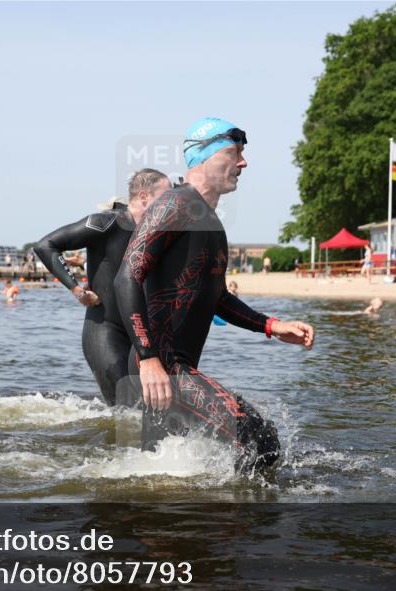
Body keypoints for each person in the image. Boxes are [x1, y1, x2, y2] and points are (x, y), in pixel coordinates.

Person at [114, 117, 315, 475]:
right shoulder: (175, 204)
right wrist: (148, 360)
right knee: (259, 439)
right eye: (234, 152)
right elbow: (126, 278)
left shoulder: (207, 220)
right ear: (204, 156)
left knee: (158, 472)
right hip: (162, 366)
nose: (243, 162)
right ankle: (242, 524)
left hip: (171, 365)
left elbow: (216, 297)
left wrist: (272, 325)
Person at [35, 169, 171, 405]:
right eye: (166, 196)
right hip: (105, 331)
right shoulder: (106, 223)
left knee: (151, 409)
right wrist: (77, 290)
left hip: (141, 336)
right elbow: (46, 245)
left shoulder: (160, 234)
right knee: (126, 410)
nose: (172, 203)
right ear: (144, 196)